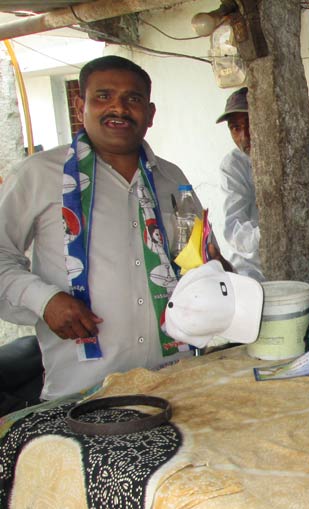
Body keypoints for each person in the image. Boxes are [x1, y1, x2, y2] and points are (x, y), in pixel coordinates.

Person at [0, 55, 203, 399]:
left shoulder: (172, 179)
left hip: (175, 384)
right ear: (80, 106)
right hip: (83, 393)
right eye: (104, 96)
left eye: (133, 99)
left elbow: (196, 259)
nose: (119, 109)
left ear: (150, 114)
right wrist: (44, 299)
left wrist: (212, 275)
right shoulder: (39, 174)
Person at [217, 87, 309, 282]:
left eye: (250, 124)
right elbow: (234, 228)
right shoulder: (233, 166)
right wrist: (270, 232)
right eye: (235, 128)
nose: (244, 136)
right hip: (252, 278)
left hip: (301, 276)